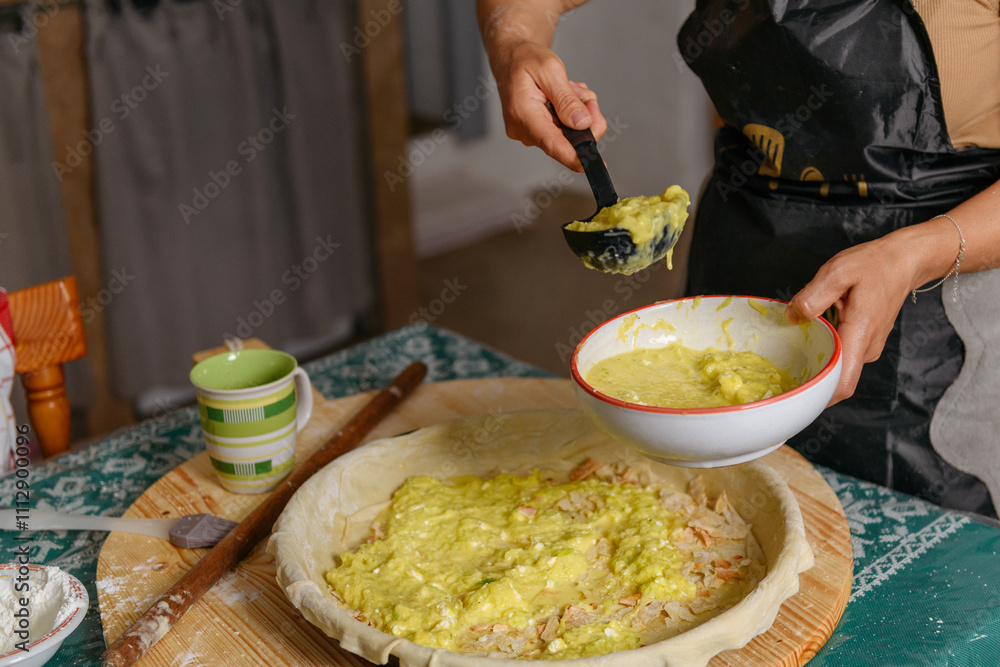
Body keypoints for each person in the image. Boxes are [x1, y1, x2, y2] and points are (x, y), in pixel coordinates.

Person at [477, 0, 1000, 517]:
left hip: (941, 295)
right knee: (717, 517)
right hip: (745, 243)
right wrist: (515, 45)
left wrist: (914, 254)